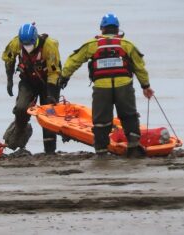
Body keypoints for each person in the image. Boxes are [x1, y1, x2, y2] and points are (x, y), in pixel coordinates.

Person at [57, 13, 154, 157]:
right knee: (129, 116)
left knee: (101, 121)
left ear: (102, 29)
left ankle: (101, 152)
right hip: (124, 87)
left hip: (102, 88)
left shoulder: (92, 45)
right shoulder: (127, 45)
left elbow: (74, 61)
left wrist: (64, 77)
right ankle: (133, 147)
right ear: (117, 29)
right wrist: (145, 86)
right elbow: (139, 67)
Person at [2, 23, 61, 154]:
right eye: (25, 44)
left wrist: (51, 92)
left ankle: (50, 150)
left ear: (35, 39)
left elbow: (54, 72)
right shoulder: (16, 43)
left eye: (30, 44)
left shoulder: (49, 46)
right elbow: (8, 59)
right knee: (21, 108)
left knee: (49, 115)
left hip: (48, 82)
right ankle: (19, 133)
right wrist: (9, 80)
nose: (27, 47)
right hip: (28, 81)